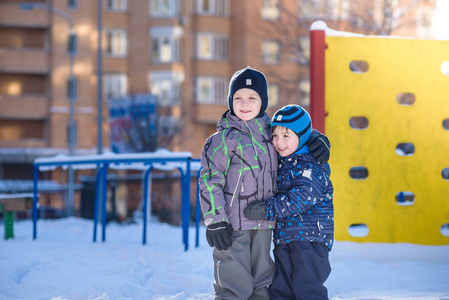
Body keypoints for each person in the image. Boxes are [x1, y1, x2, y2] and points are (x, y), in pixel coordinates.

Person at [199, 67, 331, 300]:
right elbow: (210, 180)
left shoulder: (269, 135)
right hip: (233, 226)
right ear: (230, 101)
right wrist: (215, 220)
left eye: (252, 97)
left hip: (265, 226)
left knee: (263, 284)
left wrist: (315, 138)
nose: (245, 104)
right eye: (238, 98)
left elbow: (293, 135)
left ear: (263, 102)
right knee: (233, 282)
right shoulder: (221, 140)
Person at [244, 104, 334, 300]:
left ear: (302, 137)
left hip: (310, 238)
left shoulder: (310, 165)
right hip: (285, 238)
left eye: (286, 136)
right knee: (280, 289)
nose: (279, 142)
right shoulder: (284, 161)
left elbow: (301, 198)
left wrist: (268, 209)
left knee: (307, 287)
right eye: (275, 135)